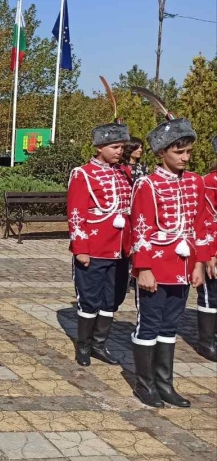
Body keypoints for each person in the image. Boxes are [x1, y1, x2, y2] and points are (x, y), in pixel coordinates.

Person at [129, 107, 209, 408]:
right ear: (162, 152)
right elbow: (139, 229)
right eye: (179, 152)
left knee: (170, 325)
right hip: (156, 265)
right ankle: (145, 384)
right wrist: (144, 268)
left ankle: (165, 384)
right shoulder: (147, 184)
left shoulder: (195, 182)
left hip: (184, 265)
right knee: (149, 324)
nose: (185, 157)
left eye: (188, 151)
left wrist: (199, 262)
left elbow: (199, 225)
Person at [66, 120, 133, 367]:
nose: (119, 151)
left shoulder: (124, 173)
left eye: (121, 147)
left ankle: (99, 344)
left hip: (120, 247)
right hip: (94, 247)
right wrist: (81, 248)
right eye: (114, 146)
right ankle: (84, 345)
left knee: (112, 298)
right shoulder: (83, 173)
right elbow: (76, 213)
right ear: (99, 147)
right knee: (90, 298)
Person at [197, 137, 217, 361]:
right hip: (214, 245)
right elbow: (206, 218)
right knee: (211, 295)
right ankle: (206, 341)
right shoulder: (210, 181)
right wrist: (210, 252)